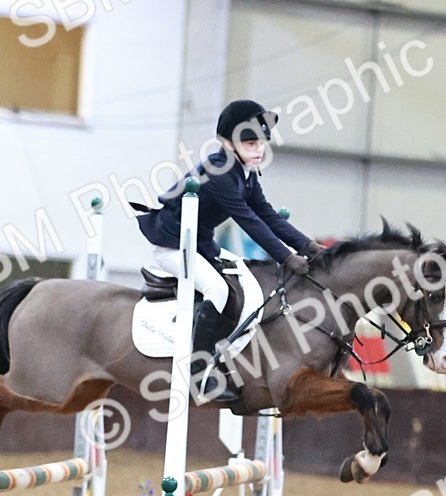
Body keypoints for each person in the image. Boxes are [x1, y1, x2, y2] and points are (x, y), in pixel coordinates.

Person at [135, 99, 325, 401]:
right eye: (251, 143)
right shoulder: (219, 171)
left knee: (249, 280)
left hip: (201, 244)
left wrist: (310, 247)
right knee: (218, 291)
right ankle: (196, 372)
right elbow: (249, 222)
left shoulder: (245, 171)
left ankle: (221, 357)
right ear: (228, 143)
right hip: (173, 244)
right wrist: (287, 258)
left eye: (261, 143)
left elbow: (268, 215)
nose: (259, 150)